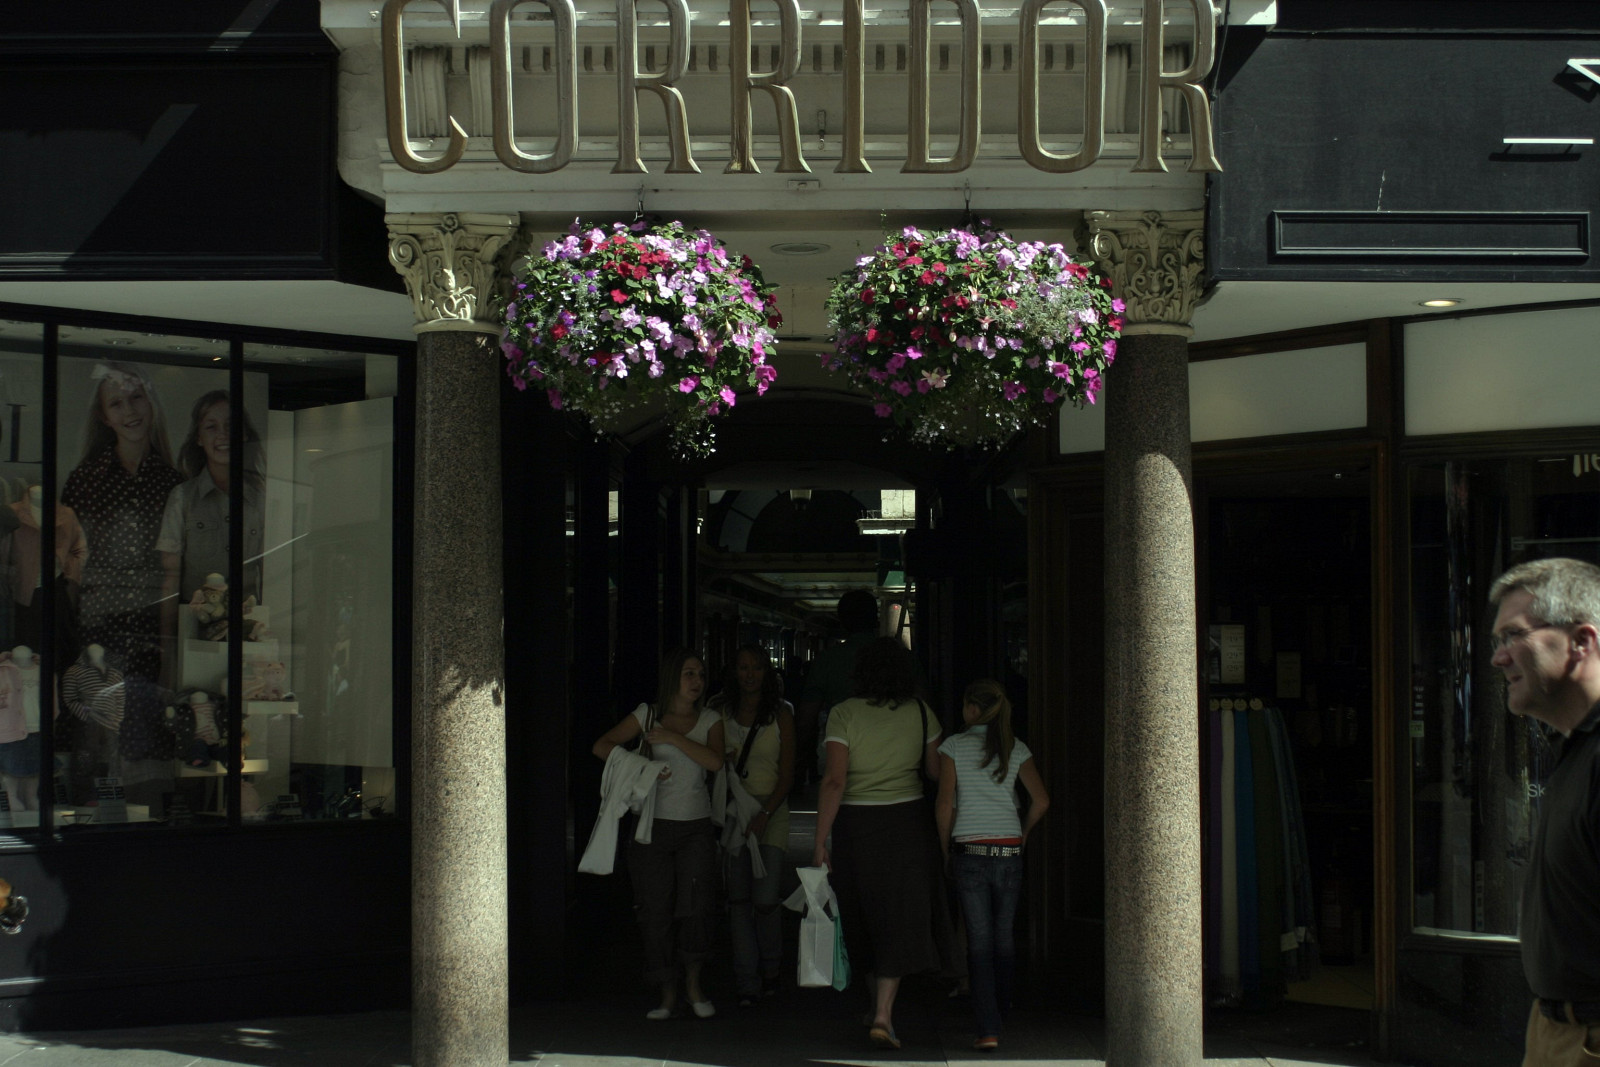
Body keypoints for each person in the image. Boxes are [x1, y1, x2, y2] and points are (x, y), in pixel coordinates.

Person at [1487, 557, 1600, 1067]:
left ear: (1582, 642)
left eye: (1514, 635)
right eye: (1498, 640)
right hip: (1555, 1029)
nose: (1499, 658)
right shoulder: (1574, 750)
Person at [812, 636, 945, 1050]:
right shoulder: (921, 712)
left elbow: (835, 781)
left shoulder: (843, 714)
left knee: (861, 914)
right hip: (908, 825)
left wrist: (820, 840)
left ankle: (874, 1007)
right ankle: (884, 1013)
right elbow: (936, 772)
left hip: (857, 826)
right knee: (899, 917)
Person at [593, 648, 725, 1021]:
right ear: (672, 678)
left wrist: (672, 738)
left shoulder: (710, 719)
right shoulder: (647, 714)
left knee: (696, 906)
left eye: (701, 674)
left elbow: (715, 761)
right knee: (655, 911)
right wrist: (641, 767)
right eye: (689, 674)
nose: (697, 681)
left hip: (696, 826)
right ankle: (667, 991)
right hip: (651, 827)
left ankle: (694, 986)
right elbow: (601, 746)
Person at [935, 678, 1049, 1052]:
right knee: (1003, 935)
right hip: (1008, 850)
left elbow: (945, 803)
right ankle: (1002, 1008)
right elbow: (1041, 801)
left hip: (969, 849)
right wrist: (1023, 834)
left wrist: (945, 847)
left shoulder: (953, 746)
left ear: (972, 709)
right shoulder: (1015, 747)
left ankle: (987, 1027)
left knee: (978, 940)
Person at [61, 362, 184, 683]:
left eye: (136, 397)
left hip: (151, 636)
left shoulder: (173, 484)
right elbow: (70, 567)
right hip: (94, 632)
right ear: (104, 416)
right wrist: (67, 641)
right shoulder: (84, 481)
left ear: (151, 402)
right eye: (116, 403)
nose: (129, 410)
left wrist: (170, 650)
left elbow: (174, 573)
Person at [712, 644, 795, 1006]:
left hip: (771, 811)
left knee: (764, 898)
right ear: (733, 672)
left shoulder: (781, 714)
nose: (750, 675)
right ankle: (747, 980)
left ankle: (771, 969)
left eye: (757, 668)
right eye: (743, 667)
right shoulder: (719, 713)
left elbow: (787, 774)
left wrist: (765, 814)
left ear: (767, 673)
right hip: (735, 812)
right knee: (739, 899)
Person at [157, 391, 265, 639]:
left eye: (230, 426)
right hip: (194, 628)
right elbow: (170, 579)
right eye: (211, 427)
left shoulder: (262, 498)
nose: (222, 435)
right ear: (199, 437)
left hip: (249, 628)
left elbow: (272, 573)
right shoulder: (181, 498)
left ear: (244, 434)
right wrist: (168, 643)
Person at [798, 589, 879, 778]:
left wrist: (798, 760)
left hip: (845, 764)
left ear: (842, 623)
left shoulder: (827, 661)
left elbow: (806, 720)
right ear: (876, 620)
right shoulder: (903, 658)